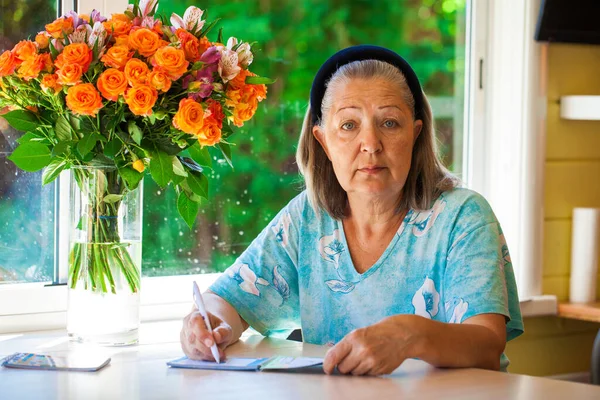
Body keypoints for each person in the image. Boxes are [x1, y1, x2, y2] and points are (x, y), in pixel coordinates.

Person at [180, 45, 523, 376]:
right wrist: (208, 323)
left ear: (416, 135)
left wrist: (409, 334)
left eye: (389, 123)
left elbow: (486, 344)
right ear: (323, 141)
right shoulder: (306, 219)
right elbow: (227, 301)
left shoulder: (463, 217)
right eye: (348, 125)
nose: (371, 144)